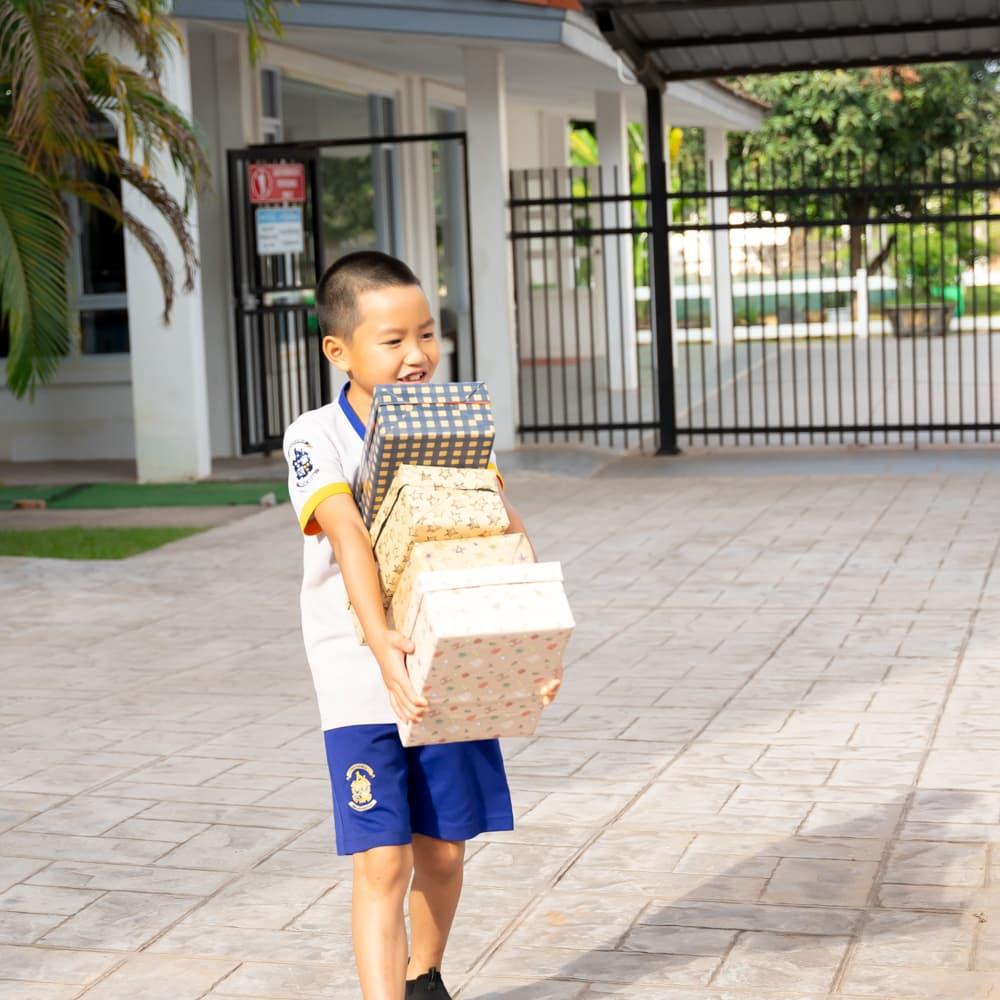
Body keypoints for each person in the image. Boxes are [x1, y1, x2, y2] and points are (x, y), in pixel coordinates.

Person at [282, 250, 562, 1000]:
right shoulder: (314, 436)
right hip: (359, 675)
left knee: (441, 849)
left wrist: (534, 641)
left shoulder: (455, 423)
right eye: (394, 340)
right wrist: (382, 652)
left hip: (450, 667)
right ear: (338, 350)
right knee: (383, 860)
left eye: (427, 335)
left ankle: (424, 976)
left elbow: (500, 525)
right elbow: (348, 537)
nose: (418, 356)